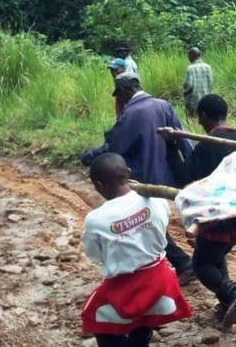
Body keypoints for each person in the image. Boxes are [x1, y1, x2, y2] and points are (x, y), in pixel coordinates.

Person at [81, 153, 192, 347]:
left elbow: (94, 255)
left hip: (127, 286)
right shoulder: (157, 201)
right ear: (129, 174)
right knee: (143, 314)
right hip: (161, 280)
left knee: (92, 315)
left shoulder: (95, 219)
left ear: (99, 185)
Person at [80, 72, 196, 285]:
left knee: (144, 221)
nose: (120, 100)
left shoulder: (130, 114)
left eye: (119, 95)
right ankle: (183, 263)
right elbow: (181, 138)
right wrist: (192, 167)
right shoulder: (163, 105)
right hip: (165, 175)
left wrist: (88, 156)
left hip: (139, 179)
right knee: (151, 219)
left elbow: (114, 148)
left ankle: (180, 264)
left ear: (125, 91)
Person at [163, 94, 236, 326]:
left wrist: (172, 148)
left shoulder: (207, 145)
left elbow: (185, 177)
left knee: (201, 265)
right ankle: (227, 303)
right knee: (215, 255)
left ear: (203, 115)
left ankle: (232, 291)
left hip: (216, 218)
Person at [183, 47, 213, 120]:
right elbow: (210, 84)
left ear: (192, 55)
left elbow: (189, 85)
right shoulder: (208, 67)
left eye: (189, 55)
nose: (188, 58)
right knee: (204, 121)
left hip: (193, 101)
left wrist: (185, 95)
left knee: (192, 122)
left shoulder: (190, 68)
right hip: (206, 100)